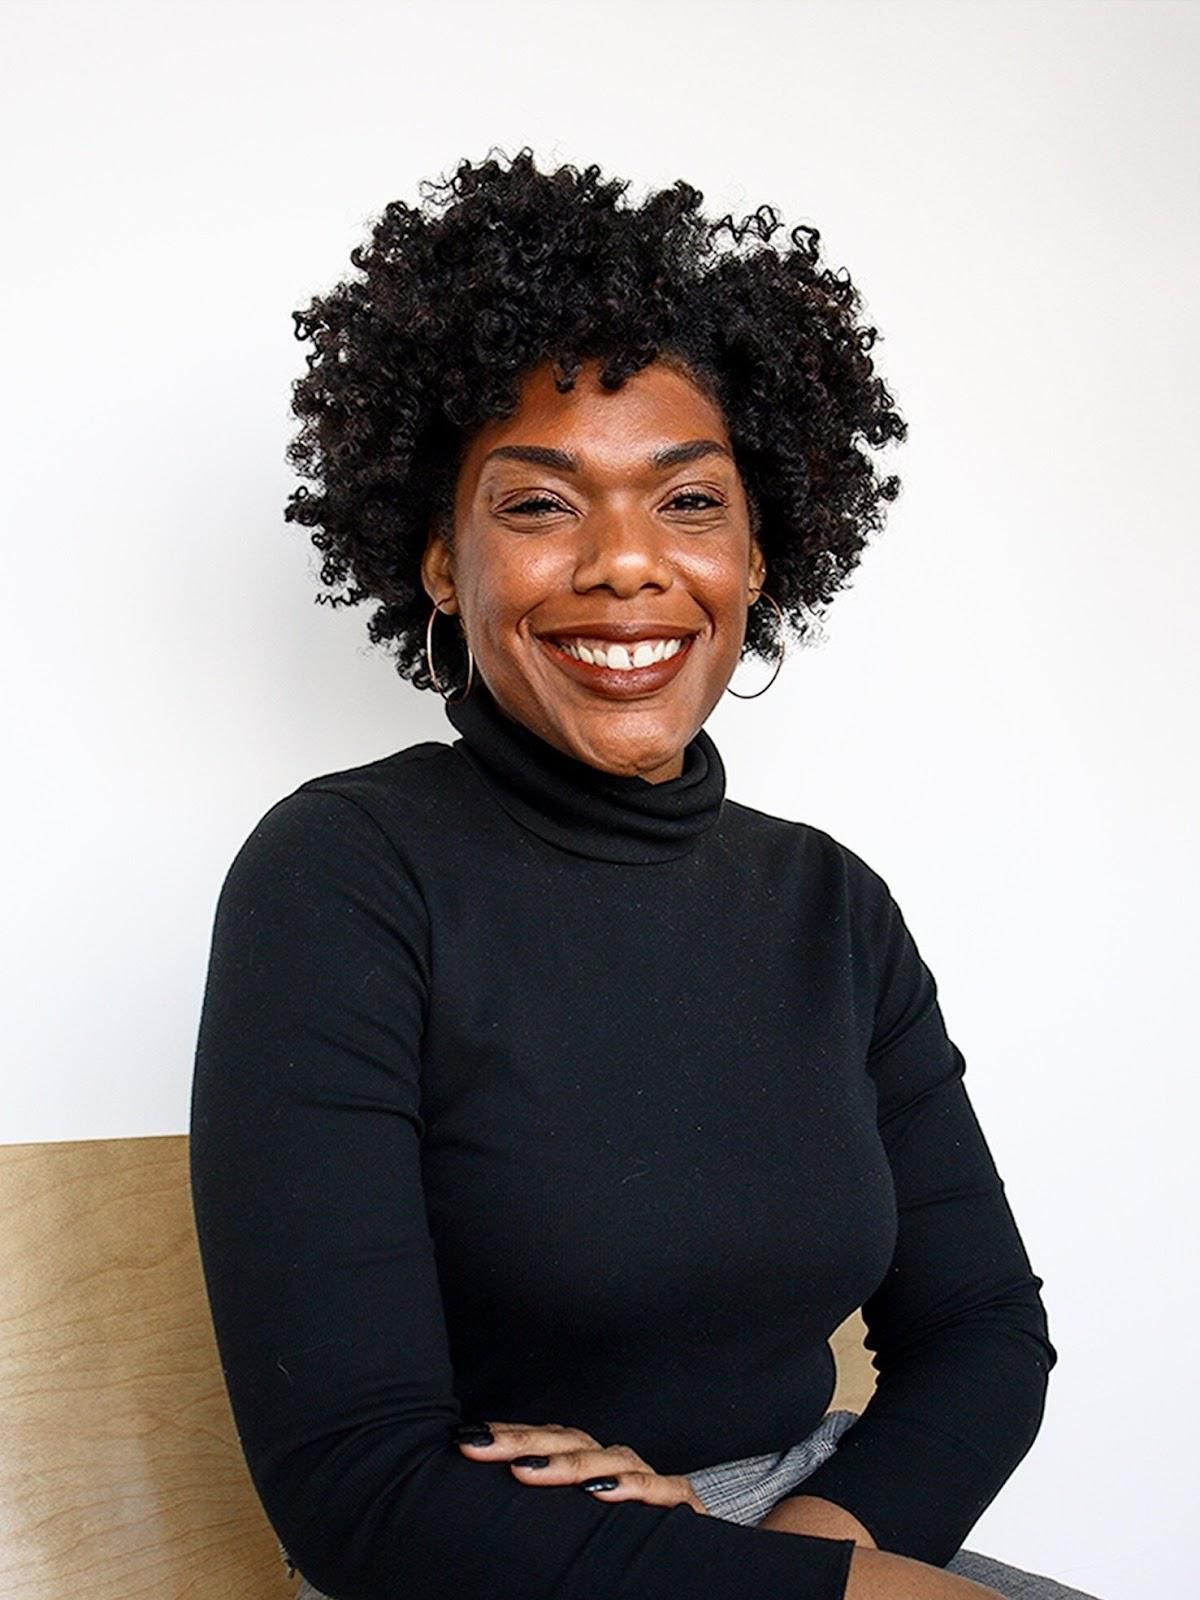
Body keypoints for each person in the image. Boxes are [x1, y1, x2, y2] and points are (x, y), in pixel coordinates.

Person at [190, 149, 1099, 1600]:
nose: (627, 565)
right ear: (440, 561)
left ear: (759, 552)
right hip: (495, 1567)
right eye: (540, 506)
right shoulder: (342, 878)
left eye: (688, 502)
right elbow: (356, 1489)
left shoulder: (832, 908)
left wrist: (806, 1559)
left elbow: (984, 1328)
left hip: (807, 1521)